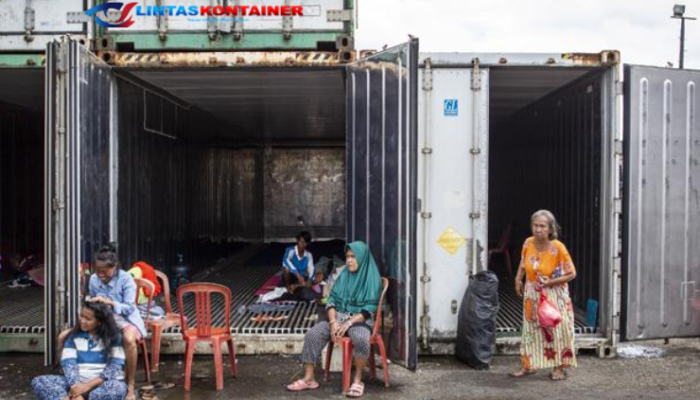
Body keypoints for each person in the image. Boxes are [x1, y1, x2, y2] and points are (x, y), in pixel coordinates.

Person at [286, 241, 382, 398]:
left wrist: (349, 323)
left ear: (363, 258)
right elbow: (331, 301)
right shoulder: (344, 275)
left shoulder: (372, 279)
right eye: (348, 257)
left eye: (353, 257)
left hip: (360, 321)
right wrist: (333, 323)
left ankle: (357, 380)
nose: (349, 260)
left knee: (360, 338)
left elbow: (368, 310)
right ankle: (309, 378)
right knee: (313, 334)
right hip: (338, 319)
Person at [59, 244, 146, 400]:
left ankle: (130, 384)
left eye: (104, 272)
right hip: (102, 320)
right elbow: (92, 307)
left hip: (125, 320)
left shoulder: (126, 279)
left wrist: (110, 302)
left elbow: (130, 308)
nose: (100, 275)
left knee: (128, 339)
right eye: (97, 271)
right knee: (63, 336)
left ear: (115, 267)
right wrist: (92, 302)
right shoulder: (93, 279)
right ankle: (71, 380)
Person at [511, 210, 577, 380]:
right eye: (535, 225)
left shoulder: (558, 247)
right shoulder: (528, 243)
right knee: (530, 330)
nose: (538, 229)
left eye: (542, 226)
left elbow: (571, 273)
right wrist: (518, 279)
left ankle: (559, 368)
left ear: (550, 229)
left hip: (554, 294)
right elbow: (523, 263)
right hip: (532, 293)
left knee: (557, 329)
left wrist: (550, 282)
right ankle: (528, 365)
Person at [32, 301, 127, 400]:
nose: (82, 320)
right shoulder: (73, 336)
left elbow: (114, 367)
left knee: (118, 388)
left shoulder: (114, 338)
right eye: (81, 316)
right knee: (39, 381)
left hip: (102, 385)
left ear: (99, 322)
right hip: (76, 384)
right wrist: (76, 387)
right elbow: (69, 364)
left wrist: (87, 386)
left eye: (88, 318)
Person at [281, 231, 320, 300]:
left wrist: (310, 279)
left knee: (310, 287)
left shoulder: (308, 255)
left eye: (305, 242)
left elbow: (311, 268)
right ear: (297, 241)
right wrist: (297, 274)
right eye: (300, 241)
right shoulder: (290, 250)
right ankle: (288, 287)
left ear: (307, 243)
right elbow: (286, 261)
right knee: (286, 269)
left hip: (302, 278)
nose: (302, 244)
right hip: (291, 276)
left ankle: (296, 286)